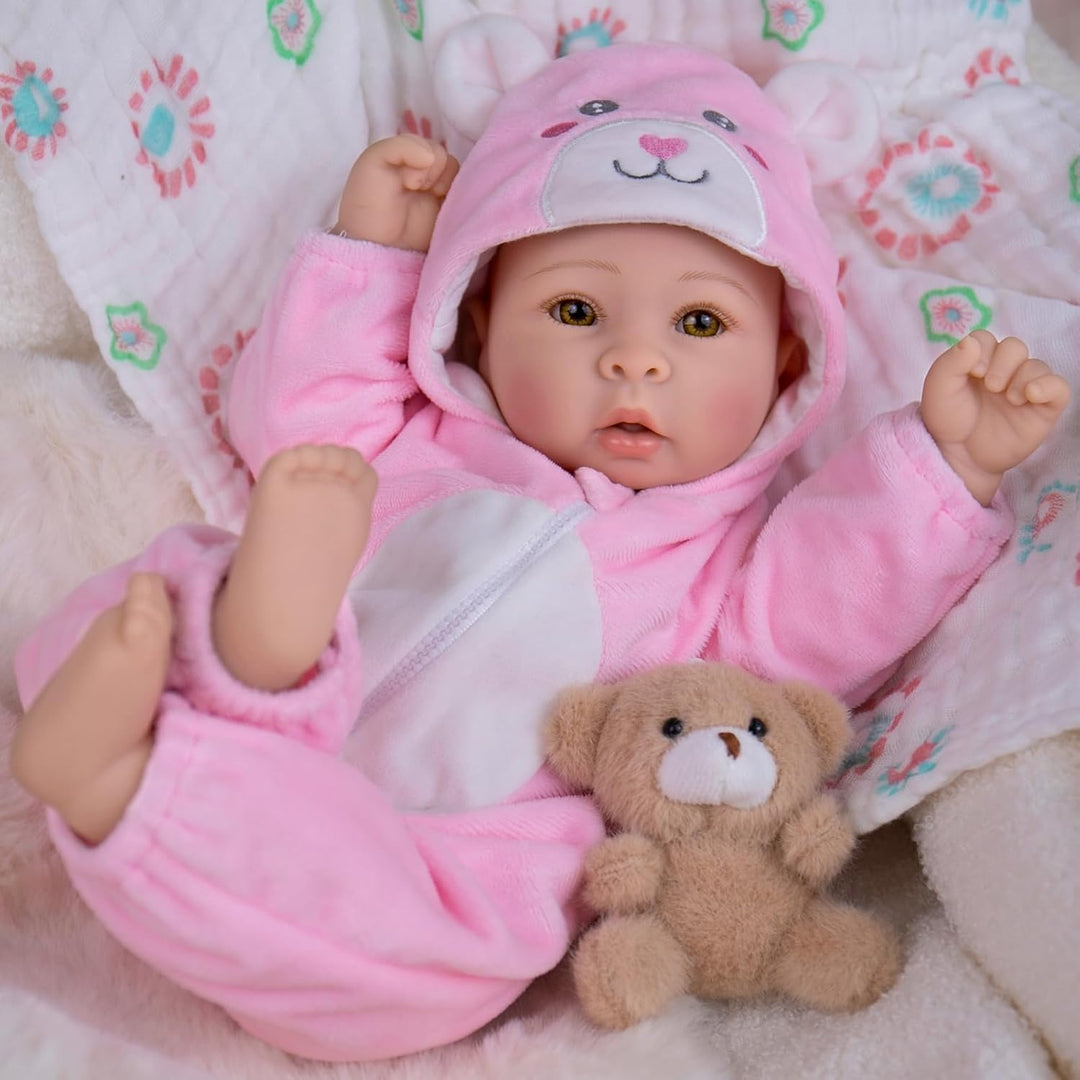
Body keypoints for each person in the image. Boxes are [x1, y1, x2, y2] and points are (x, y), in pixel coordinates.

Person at [9, 42, 1069, 1062]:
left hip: (455, 837)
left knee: (464, 952)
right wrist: (371, 256)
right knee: (198, 570)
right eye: (574, 309)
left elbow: (825, 615)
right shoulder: (414, 437)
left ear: (788, 364)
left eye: (701, 324)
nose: (635, 359)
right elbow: (298, 414)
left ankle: (128, 779)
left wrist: (944, 467)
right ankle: (257, 656)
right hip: (291, 667)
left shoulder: (721, 578)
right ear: (477, 321)